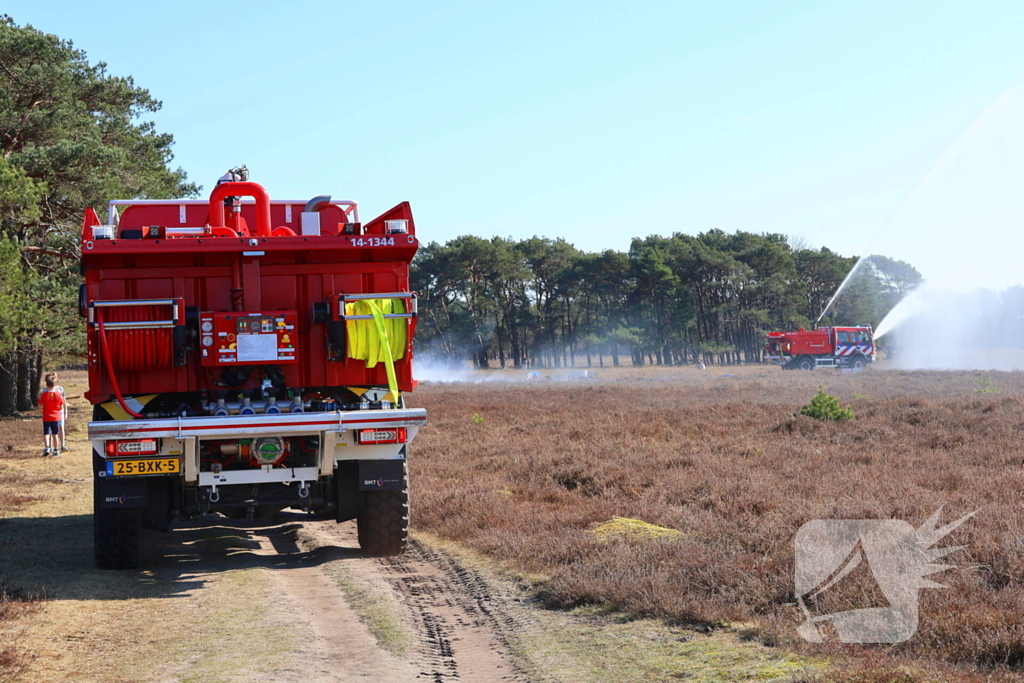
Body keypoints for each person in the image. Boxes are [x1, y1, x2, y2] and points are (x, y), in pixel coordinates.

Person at [39, 375, 66, 457]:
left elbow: (40, 405)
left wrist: (43, 409)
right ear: (56, 385)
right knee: (55, 435)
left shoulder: (44, 394)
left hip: (47, 417)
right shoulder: (58, 395)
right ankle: (56, 450)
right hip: (56, 417)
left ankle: (47, 447)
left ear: (47, 385)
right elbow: (61, 406)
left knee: (47, 434)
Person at [48, 372, 70, 452]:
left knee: (61, 428)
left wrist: (65, 412)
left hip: (60, 412)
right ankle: (50, 446)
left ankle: (63, 445)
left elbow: (64, 401)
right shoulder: (46, 390)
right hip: (51, 412)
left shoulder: (60, 389)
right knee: (51, 429)